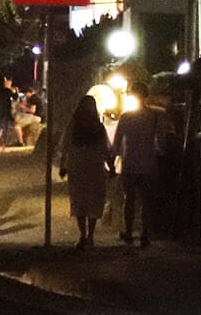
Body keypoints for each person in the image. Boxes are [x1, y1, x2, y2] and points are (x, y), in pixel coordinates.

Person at [109, 79, 163, 246]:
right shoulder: (153, 116)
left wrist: (112, 162)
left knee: (129, 200)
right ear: (146, 96)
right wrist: (159, 153)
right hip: (148, 163)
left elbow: (117, 142)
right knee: (146, 201)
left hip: (130, 162)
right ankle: (145, 233)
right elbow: (159, 141)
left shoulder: (126, 117)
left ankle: (129, 232)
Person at [57, 93, 111, 247]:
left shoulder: (74, 127)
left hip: (77, 167)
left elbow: (64, 146)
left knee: (79, 201)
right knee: (93, 201)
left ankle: (82, 235)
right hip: (95, 167)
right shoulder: (98, 127)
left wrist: (63, 166)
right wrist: (111, 166)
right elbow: (105, 150)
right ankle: (91, 236)